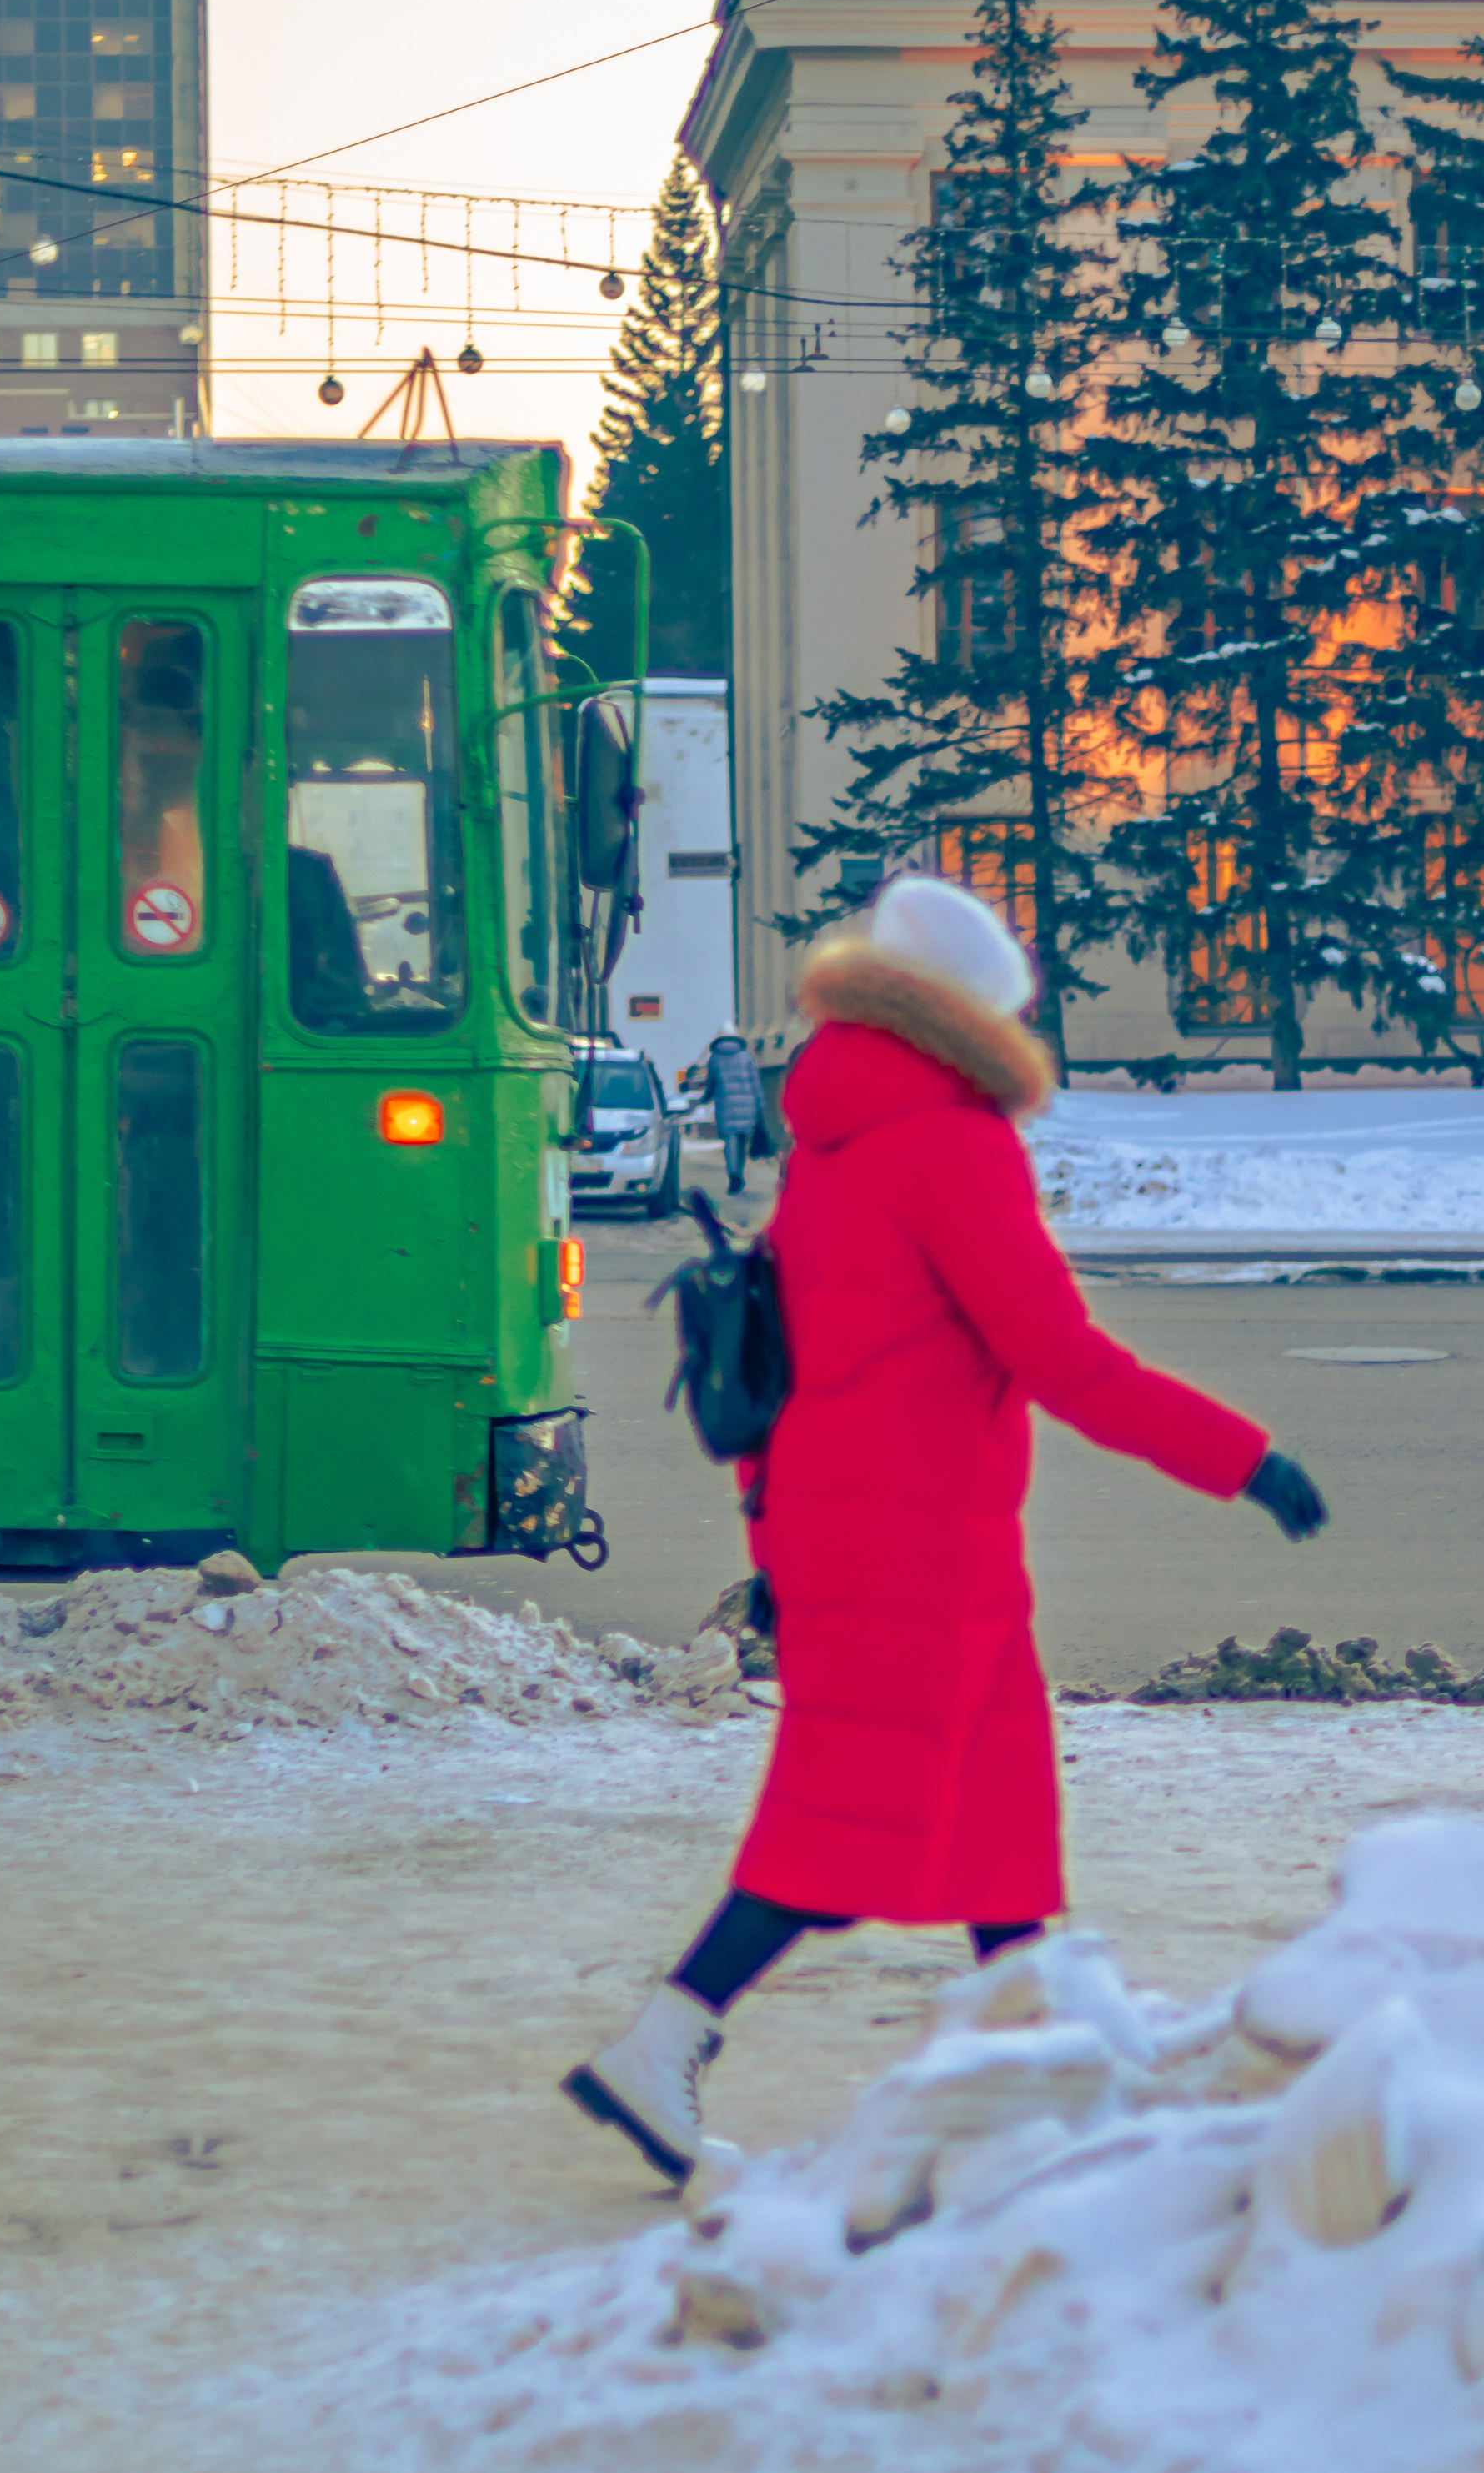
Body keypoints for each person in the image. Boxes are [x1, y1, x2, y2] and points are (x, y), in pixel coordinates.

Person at [564, 876, 1330, 2184]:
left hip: (867, 1527)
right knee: (843, 1817)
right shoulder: (950, 1146)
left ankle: (1042, 2062)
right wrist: (1246, 1462)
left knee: (994, 1818)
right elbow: (1063, 1359)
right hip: (908, 1542)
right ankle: (665, 2041)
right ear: (975, 1019)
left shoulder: (843, 1136)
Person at [703, 1024, 767, 1196]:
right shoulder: (747, 1057)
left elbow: (711, 1083)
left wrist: (705, 1098)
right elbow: (755, 1082)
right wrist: (760, 1104)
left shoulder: (715, 1059)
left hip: (726, 1106)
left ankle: (733, 1174)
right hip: (748, 1105)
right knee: (742, 1139)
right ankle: (740, 1171)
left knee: (730, 1140)